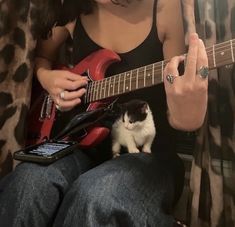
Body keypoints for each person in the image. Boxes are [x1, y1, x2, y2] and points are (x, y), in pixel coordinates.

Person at [0, 0, 208, 226]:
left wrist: (188, 111)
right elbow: (42, 56)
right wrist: (46, 77)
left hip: (149, 156)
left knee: (95, 196)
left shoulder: (165, 7)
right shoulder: (74, 7)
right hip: (79, 146)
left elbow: (178, 103)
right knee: (27, 181)